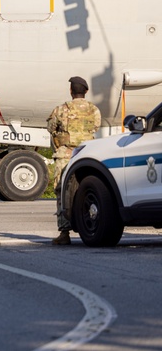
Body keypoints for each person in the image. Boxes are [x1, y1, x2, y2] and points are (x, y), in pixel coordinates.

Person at [49, 76, 102, 245]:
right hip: (87, 153)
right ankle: (90, 225)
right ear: (86, 91)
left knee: (61, 191)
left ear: (71, 91)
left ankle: (64, 233)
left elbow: (51, 127)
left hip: (66, 153)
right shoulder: (94, 110)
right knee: (87, 189)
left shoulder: (61, 109)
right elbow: (96, 127)